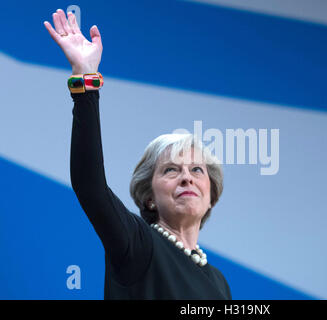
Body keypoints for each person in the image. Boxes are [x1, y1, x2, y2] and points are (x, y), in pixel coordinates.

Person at [43, 8, 232, 299]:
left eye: (197, 170)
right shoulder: (139, 245)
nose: (186, 178)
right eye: (171, 169)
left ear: (212, 195)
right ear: (149, 197)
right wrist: (85, 81)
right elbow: (91, 187)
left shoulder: (219, 282)